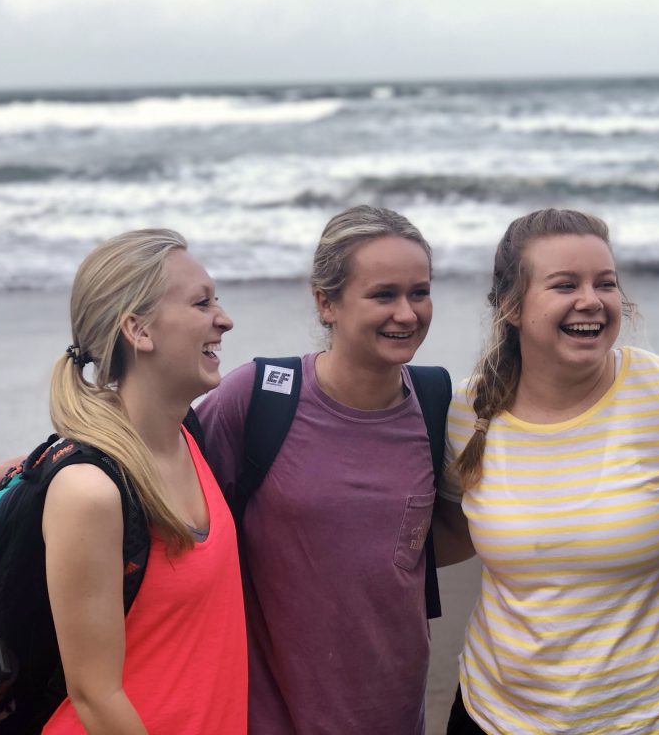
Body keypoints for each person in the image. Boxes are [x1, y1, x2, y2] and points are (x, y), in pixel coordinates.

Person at [439, 208, 659, 734]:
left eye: (606, 283)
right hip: (492, 716)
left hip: (652, 723)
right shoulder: (469, 410)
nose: (591, 301)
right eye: (564, 284)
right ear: (510, 305)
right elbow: (456, 533)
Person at [195, 205, 460, 734]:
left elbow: (456, 531)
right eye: (383, 295)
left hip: (394, 713)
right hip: (269, 716)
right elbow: (150, 460)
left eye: (419, 292)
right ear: (327, 303)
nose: (407, 313)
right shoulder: (260, 396)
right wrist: (46, 460)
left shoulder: (437, 401)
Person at [40, 229, 247, 733]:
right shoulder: (89, 491)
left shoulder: (189, 434)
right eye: (202, 303)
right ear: (139, 330)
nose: (225, 318)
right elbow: (94, 695)